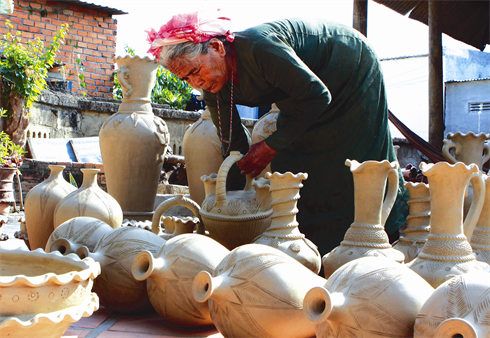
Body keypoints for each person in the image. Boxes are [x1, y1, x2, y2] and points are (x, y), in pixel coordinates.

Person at [147, 10, 409, 257]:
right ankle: (313, 251)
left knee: (357, 162)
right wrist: (227, 201)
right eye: (186, 79)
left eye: (195, 72)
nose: (196, 83)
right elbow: (232, 142)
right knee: (291, 171)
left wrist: (270, 146)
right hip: (307, 94)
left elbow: (317, 96)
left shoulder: (260, 49)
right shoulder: (213, 84)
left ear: (217, 47)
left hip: (348, 68)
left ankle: (377, 240)